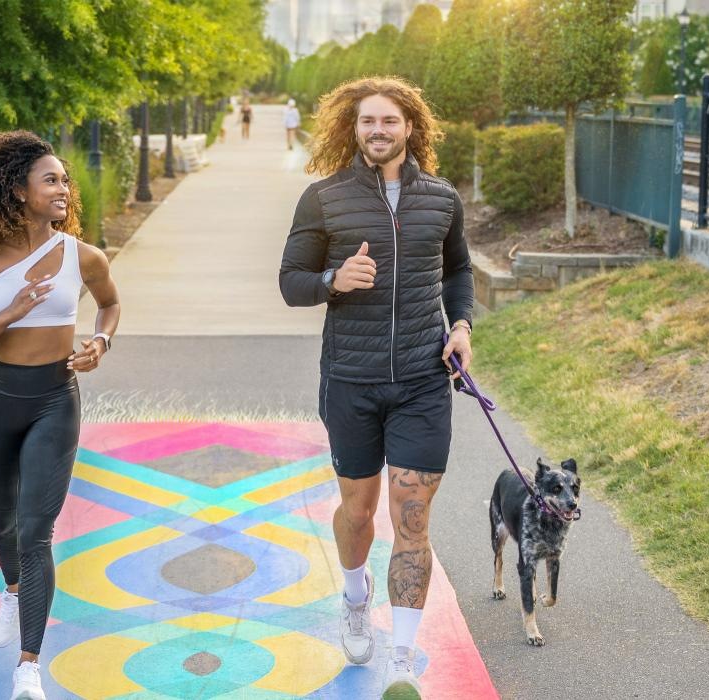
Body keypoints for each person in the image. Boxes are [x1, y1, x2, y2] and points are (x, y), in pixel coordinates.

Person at [277, 76, 473, 698]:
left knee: (410, 517)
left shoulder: (442, 199)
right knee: (358, 516)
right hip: (351, 382)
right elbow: (290, 282)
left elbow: (459, 269)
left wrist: (461, 326)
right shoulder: (325, 199)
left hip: (422, 380)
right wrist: (335, 277)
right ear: (353, 128)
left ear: (410, 127)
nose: (379, 131)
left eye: (390, 121)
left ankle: (402, 656)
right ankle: (355, 596)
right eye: (368, 122)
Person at [0, 130, 121, 700]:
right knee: (0, 519)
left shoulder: (82, 255)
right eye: (52, 180)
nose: (65, 188)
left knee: (35, 530)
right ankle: (14, 590)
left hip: (54, 400)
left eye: (66, 180)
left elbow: (112, 304)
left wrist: (100, 342)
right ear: (18, 191)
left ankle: (28, 667)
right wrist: (12, 312)